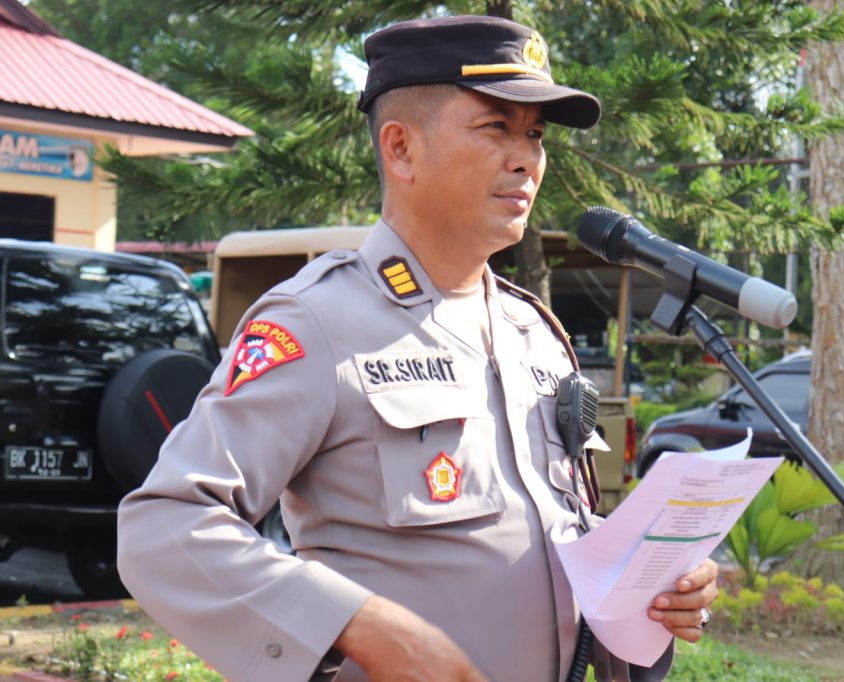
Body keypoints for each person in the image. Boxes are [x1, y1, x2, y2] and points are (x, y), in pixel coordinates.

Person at [117, 14, 718, 682]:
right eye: (496, 127)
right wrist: (361, 626)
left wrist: (653, 594)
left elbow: (557, 541)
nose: (527, 158)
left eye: (536, 134)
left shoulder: (535, 335)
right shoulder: (318, 322)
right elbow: (165, 525)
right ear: (400, 149)